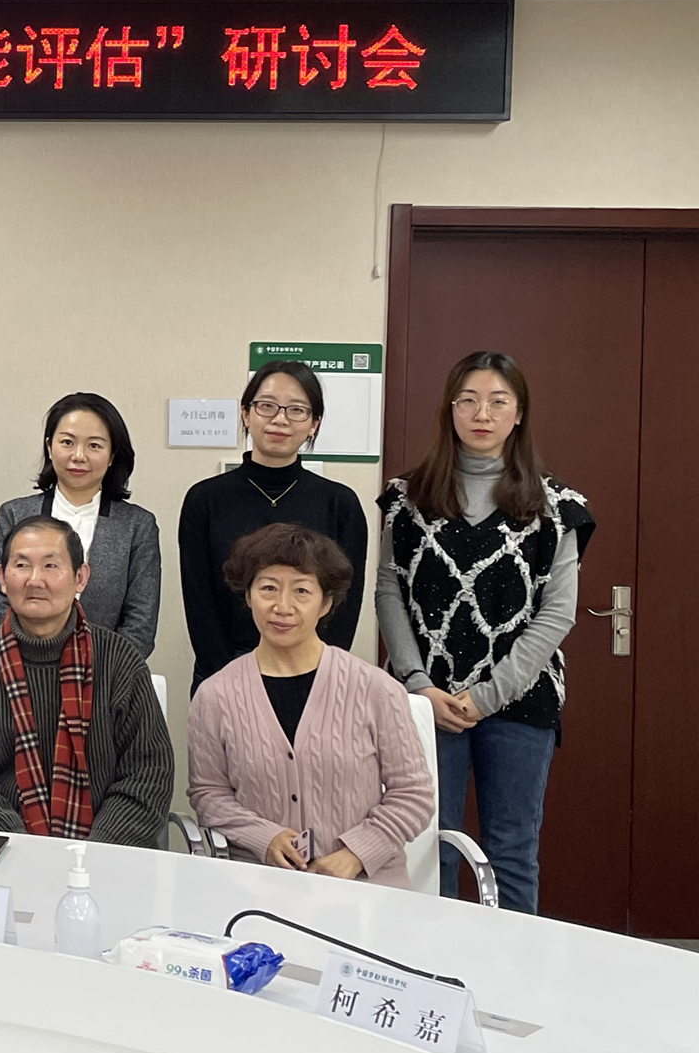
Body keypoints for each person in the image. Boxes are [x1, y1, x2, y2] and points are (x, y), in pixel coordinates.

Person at [377, 351, 592, 913]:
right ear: (449, 410)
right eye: (468, 400)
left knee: (511, 850)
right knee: (429, 846)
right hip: (425, 701)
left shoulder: (557, 506)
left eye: (498, 402)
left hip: (520, 700)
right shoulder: (406, 497)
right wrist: (419, 685)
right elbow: (389, 592)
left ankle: (511, 967)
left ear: (519, 413)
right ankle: (429, 961)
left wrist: (488, 695)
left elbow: (558, 613)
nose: (482, 414)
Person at [188, 524, 432, 885]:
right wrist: (264, 837)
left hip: (366, 890)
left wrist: (355, 855)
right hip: (260, 888)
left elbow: (413, 794)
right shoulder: (215, 696)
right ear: (248, 596)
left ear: (326, 603)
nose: (282, 606)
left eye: (301, 591)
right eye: (268, 588)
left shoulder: (376, 690)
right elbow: (208, 795)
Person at [0, 516, 172, 844]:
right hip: (6, 852)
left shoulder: (120, 660)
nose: (35, 580)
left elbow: (148, 774)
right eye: (22, 565)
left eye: (51, 566)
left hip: (108, 854)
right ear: (2, 578)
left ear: (80, 578)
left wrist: (91, 853)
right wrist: (26, 850)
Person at [178, 359, 368, 692]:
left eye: (297, 410)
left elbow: (344, 603)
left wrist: (319, 672)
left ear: (314, 424)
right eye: (267, 406)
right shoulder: (205, 499)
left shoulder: (340, 503)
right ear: (246, 414)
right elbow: (199, 601)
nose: (280, 419)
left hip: (314, 672)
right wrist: (227, 678)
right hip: (225, 669)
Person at [0, 392, 162, 654]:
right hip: (20, 665)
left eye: (94, 445)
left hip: (110, 670)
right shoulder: (14, 514)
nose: (79, 456)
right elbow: (0, 603)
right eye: (67, 442)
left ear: (112, 454)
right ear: (49, 447)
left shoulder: (137, 525)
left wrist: (109, 670)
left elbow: (141, 621)